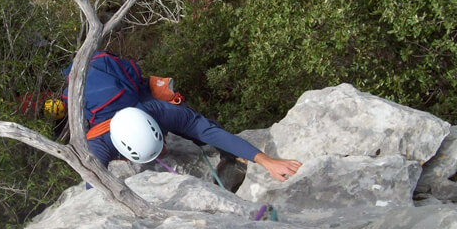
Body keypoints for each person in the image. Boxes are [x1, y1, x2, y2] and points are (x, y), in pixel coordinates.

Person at [70, 60, 302, 182]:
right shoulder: (98, 146)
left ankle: (231, 153)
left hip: (132, 94)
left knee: (195, 124)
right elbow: (94, 185)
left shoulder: (158, 110)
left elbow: (207, 130)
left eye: (160, 146)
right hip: (101, 107)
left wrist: (266, 161)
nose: (163, 153)